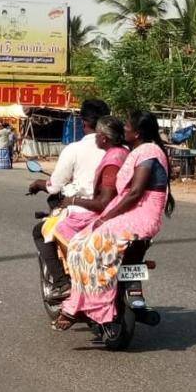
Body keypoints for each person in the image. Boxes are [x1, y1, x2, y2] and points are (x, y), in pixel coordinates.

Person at [55, 111, 173, 333]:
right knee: (80, 243)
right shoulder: (139, 151)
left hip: (140, 217)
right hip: (132, 213)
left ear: (137, 133)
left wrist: (107, 217)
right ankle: (79, 304)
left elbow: (135, 192)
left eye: (127, 126)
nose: (124, 129)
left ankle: (88, 306)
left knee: (86, 248)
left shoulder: (147, 152)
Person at [34, 116, 127, 301]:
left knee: (41, 231)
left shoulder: (78, 150)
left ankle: (63, 283)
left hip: (92, 209)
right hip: (123, 210)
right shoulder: (126, 151)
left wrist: (72, 200)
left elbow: (55, 186)